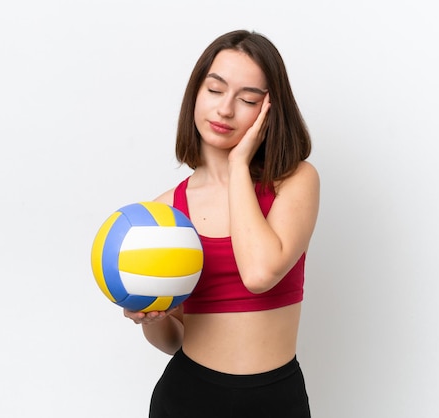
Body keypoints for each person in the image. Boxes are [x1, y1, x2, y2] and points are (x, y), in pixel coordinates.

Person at [124, 29, 320, 418]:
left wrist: (237, 166)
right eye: (214, 90)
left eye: (247, 99)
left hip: (275, 400)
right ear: (195, 94)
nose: (225, 109)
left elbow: (260, 273)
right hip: (186, 398)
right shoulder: (166, 211)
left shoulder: (295, 181)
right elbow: (174, 340)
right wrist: (149, 317)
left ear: (269, 111)